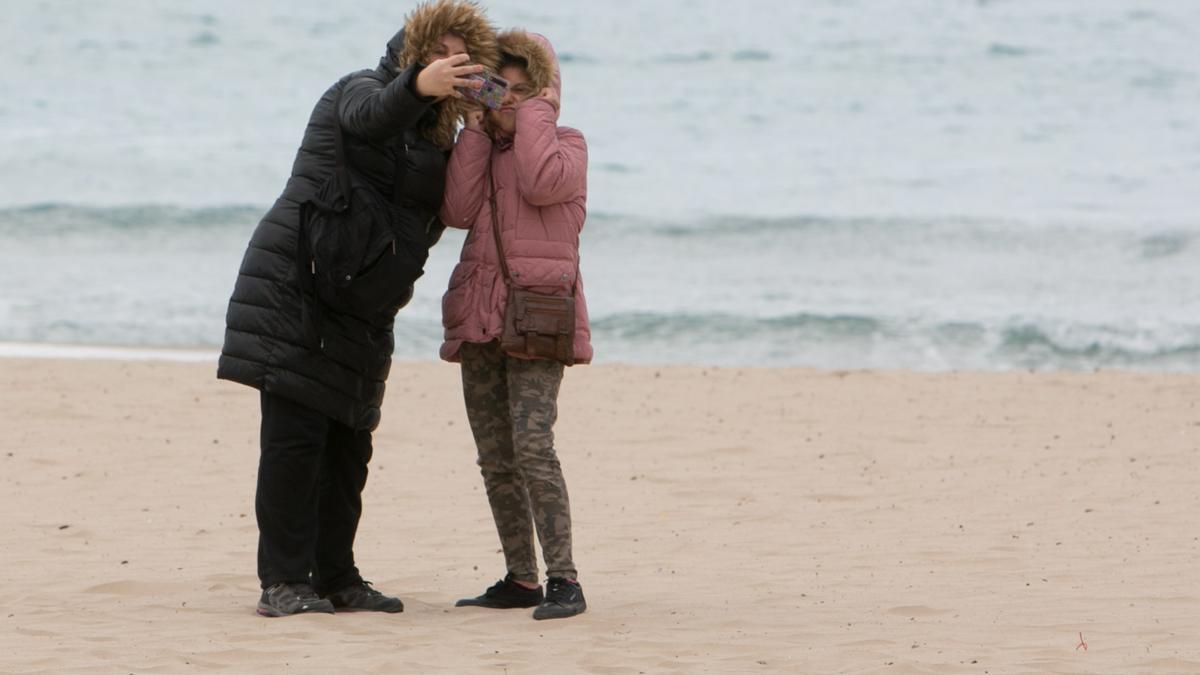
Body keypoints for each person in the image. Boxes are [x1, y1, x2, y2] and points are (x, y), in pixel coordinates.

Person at [216, 0, 498, 617]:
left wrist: (489, 127)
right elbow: (370, 117)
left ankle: (338, 577)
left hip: (366, 302)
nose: (452, 63)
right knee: (296, 441)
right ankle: (284, 582)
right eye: (441, 51)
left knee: (349, 445)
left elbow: (458, 206)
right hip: (301, 283)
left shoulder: (440, 137)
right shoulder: (358, 89)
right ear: (413, 47)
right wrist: (417, 85)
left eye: (464, 57)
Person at [439, 29, 591, 620]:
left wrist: (537, 113)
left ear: (547, 95)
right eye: (503, 88)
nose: (511, 101)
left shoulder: (567, 147)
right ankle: (521, 578)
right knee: (495, 454)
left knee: (533, 447)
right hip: (480, 315)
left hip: (538, 317)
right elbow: (454, 210)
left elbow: (538, 181)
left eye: (525, 91)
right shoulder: (481, 142)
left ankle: (564, 580)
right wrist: (475, 127)